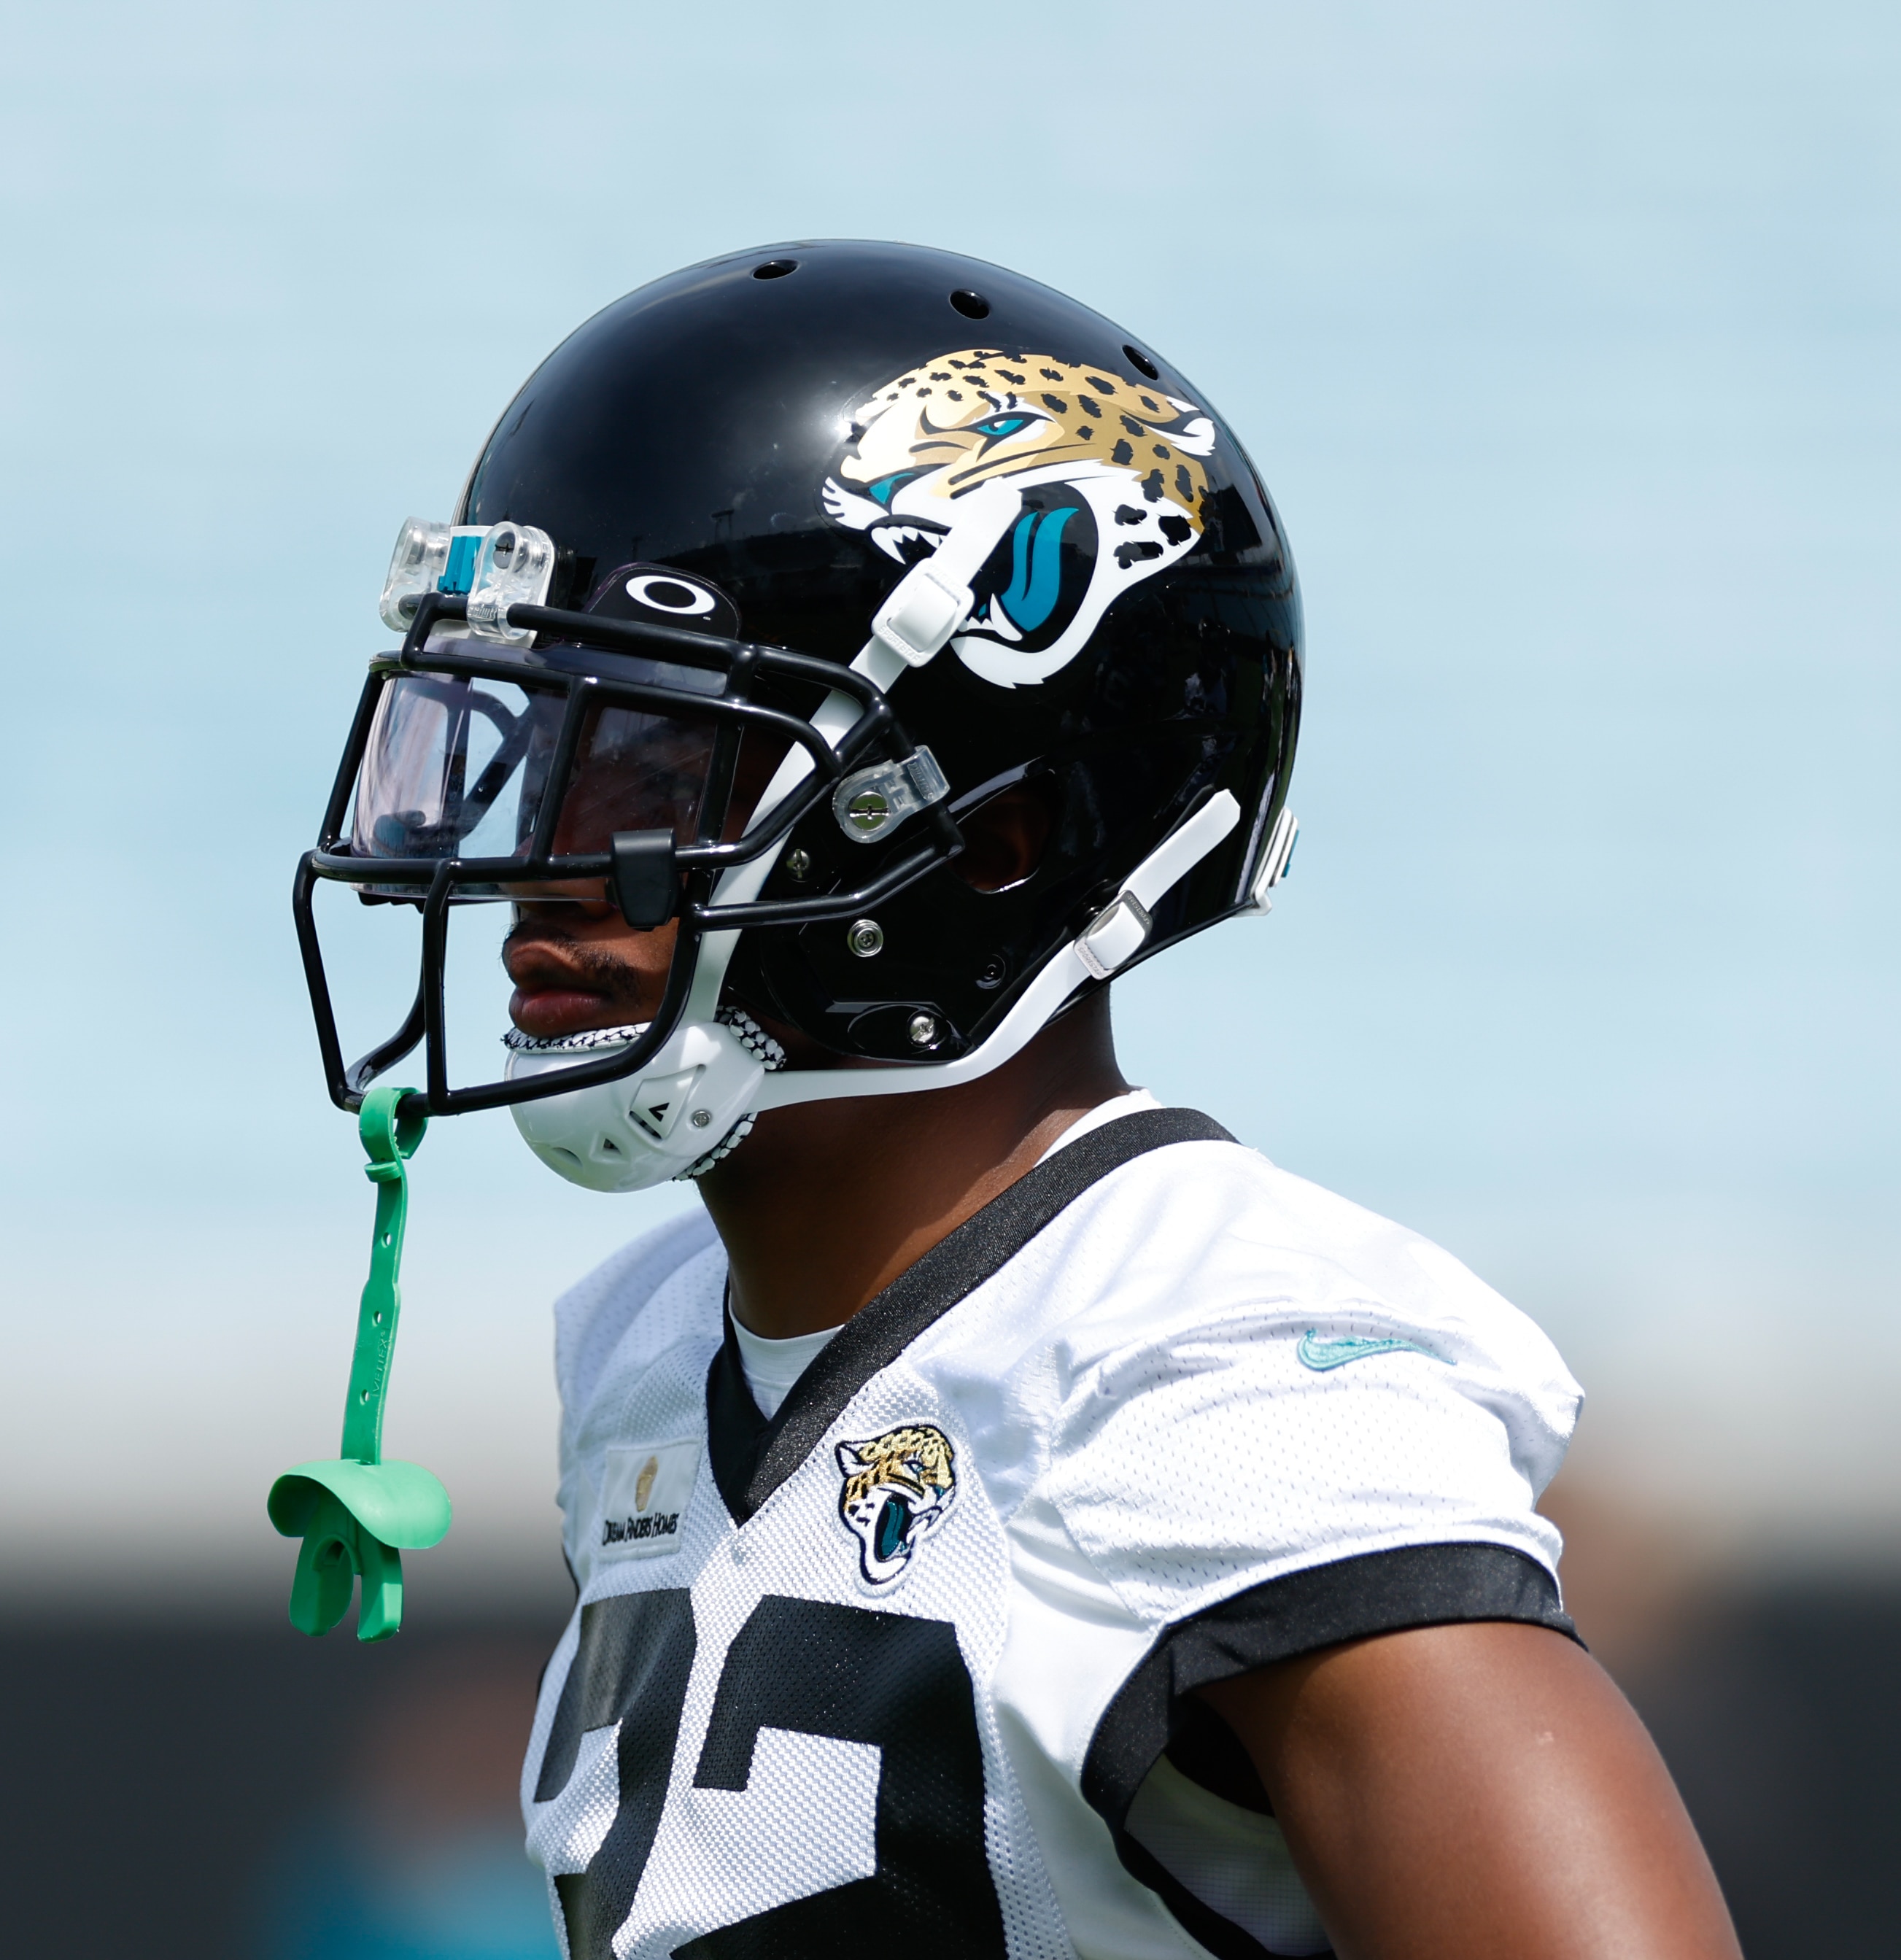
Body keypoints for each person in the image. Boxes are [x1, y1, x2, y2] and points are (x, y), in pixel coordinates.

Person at [290, 241, 1738, 1959]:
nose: (534, 858)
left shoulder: (1192, 1375)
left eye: (648, 763)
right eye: (532, 746)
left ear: (987, 841)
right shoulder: (654, 1355)